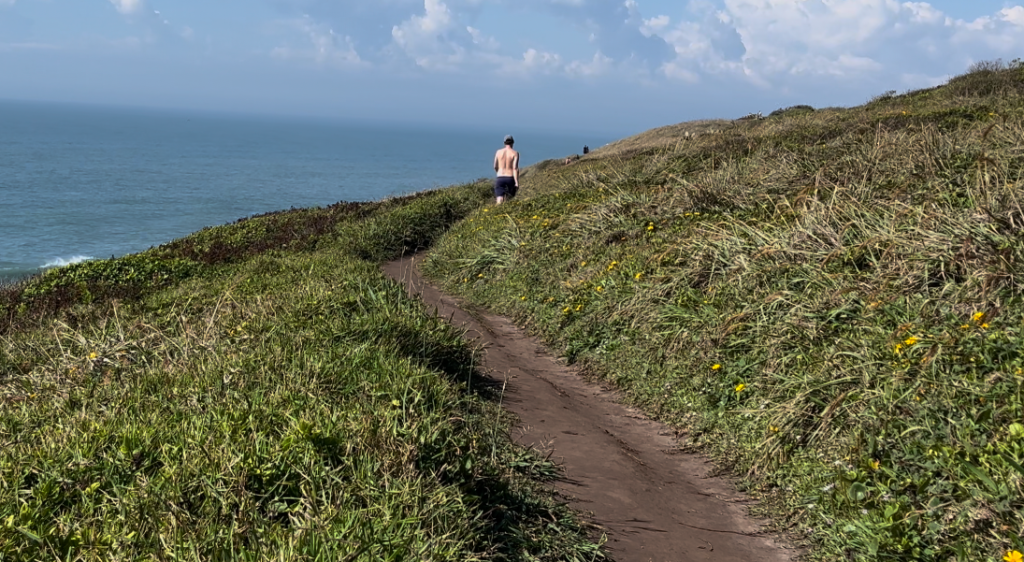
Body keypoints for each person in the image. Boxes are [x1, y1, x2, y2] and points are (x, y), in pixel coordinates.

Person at [493, 135, 519, 205]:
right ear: (512, 143)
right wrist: (516, 182)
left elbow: (495, 166)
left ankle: (498, 212)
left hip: (500, 177)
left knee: (499, 197)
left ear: (504, 143)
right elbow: (515, 168)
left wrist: (498, 173)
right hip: (510, 177)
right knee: (509, 198)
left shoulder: (498, 152)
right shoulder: (515, 153)